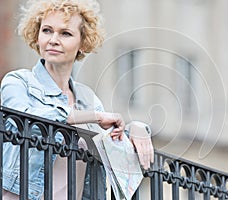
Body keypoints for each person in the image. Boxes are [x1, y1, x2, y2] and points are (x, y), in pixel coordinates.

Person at [0, 0, 154, 199]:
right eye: (47, 30)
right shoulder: (19, 82)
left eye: (65, 33)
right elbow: (27, 121)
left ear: (83, 42)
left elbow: (111, 142)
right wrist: (93, 117)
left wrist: (137, 128)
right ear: (37, 36)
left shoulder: (88, 99)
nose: (54, 39)